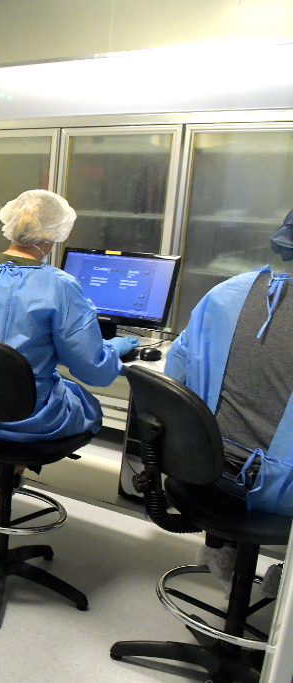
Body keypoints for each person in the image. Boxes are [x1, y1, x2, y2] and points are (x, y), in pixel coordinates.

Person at [0, 190, 138, 488]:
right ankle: (13, 467)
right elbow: (95, 371)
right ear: (55, 234)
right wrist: (115, 349)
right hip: (26, 422)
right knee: (88, 405)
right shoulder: (60, 287)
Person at [163, 211, 293, 596]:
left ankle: (223, 550)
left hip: (206, 468)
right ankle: (284, 581)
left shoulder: (225, 293)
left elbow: (173, 376)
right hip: (278, 491)